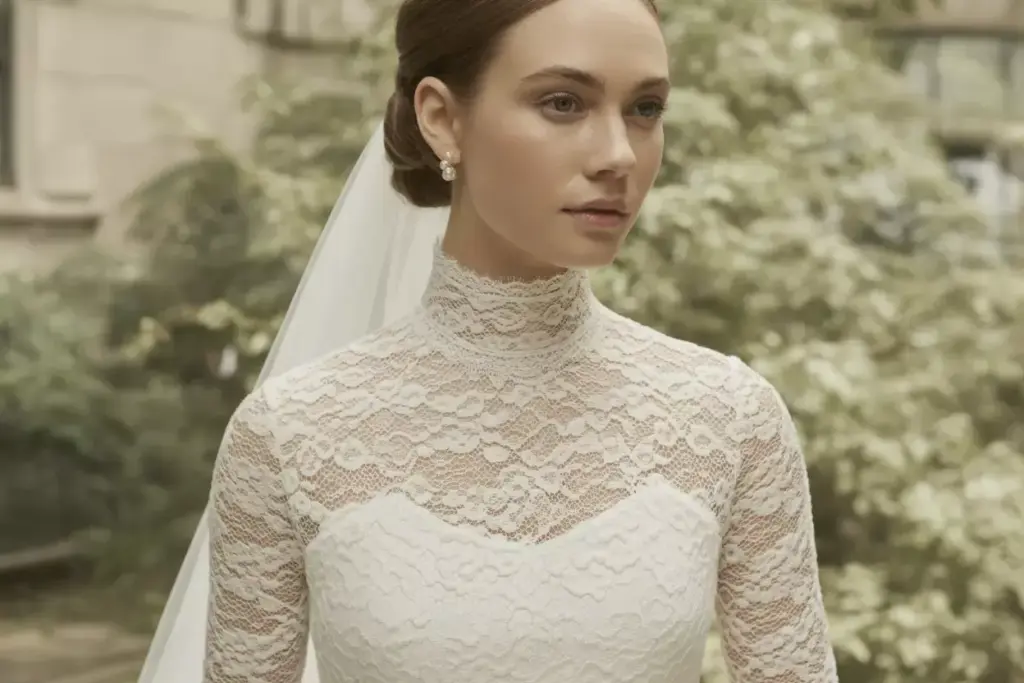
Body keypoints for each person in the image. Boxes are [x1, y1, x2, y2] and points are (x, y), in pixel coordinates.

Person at [137, 0, 840, 681]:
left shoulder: (730, 417)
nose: (619, 154)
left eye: (645, 109)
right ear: (443, 119)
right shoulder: (287, 434)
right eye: (564, 102)